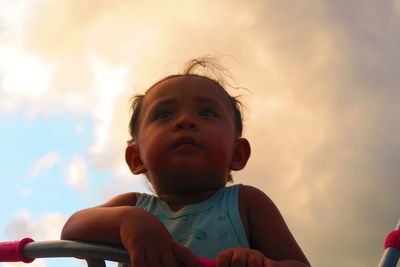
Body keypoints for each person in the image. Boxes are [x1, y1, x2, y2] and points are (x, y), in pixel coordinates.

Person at [61, 59, 310, 267]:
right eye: (164, 114)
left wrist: (262, 263)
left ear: (237, 154)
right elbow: (72, 230)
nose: (185, 121)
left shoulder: (246, 203)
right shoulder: (135, 207)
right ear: (136, 159)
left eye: (207, 113)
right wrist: (128, 220)